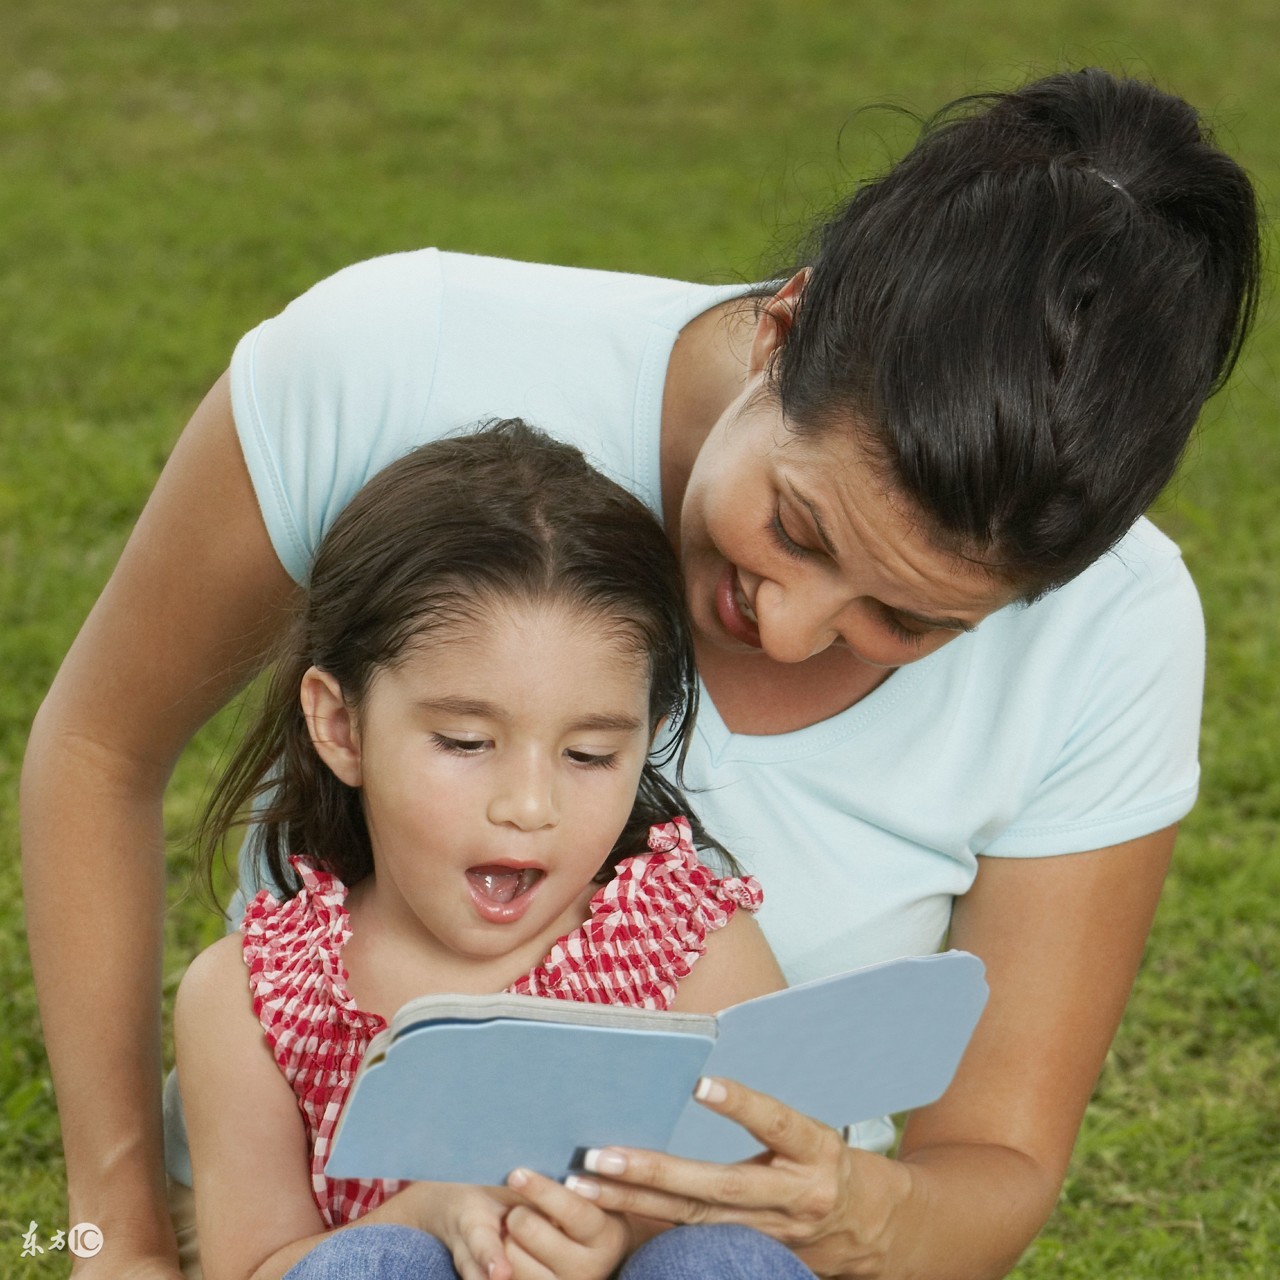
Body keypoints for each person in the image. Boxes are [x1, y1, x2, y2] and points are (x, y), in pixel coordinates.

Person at [21, 66, 1260, 1280]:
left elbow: (987, 1162)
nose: (784, 630)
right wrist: (113, 1238)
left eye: (909, 618)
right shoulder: (396, 358)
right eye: (799, 527)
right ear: (783, 323)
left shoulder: (1113, 629)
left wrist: (849, 1214)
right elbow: (98, 752)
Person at [172, 421, 789, 1280]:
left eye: (589, 756)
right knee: (370, 1262)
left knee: (726, 1256)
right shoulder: (257, 1001)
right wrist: (425, 1213)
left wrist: (617, 1240)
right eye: (465, 741)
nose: (528, 807)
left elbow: (781, 1211)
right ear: (342, 726)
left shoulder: (690, 952)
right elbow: (258, 1267)